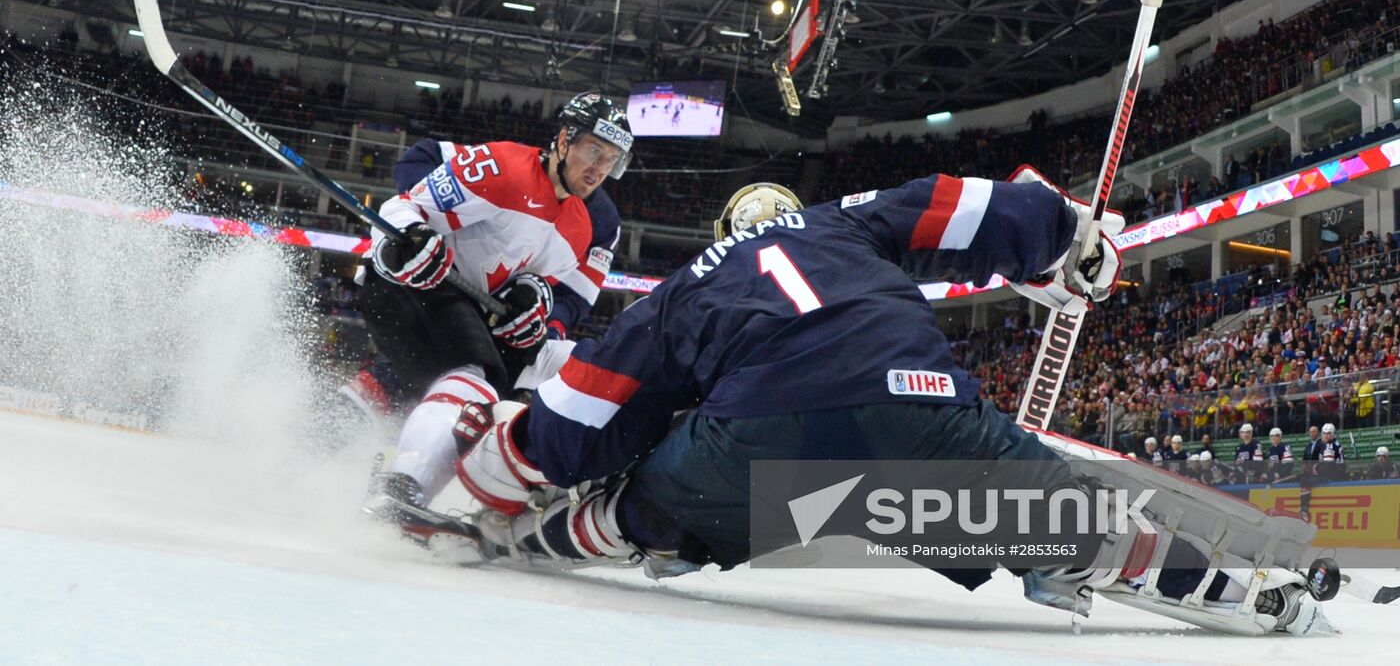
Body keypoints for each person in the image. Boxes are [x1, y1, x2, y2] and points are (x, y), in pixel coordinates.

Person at [454, 168, 1334, 635]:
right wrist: (1070, 237)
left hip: (760, 444)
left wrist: (515, 469)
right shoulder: (842, 220)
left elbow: (589, 411)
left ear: (726, 233)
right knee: (1061, 520)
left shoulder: (686, 284)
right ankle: (1211, 583)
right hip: (917, 404)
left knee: (656, 496)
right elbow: (966, 205)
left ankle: (584, 534)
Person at [353, 93, 629, 522]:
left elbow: (539, 282)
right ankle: (401, 489)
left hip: (457, 305)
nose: (599, 168)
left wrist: (532, 300)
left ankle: (400, 478)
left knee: (550, 371)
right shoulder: (502, 166)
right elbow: (403, 206)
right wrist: (411, 236)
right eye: (593, 150)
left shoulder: (579, 225)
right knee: (473, 381)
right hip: (405, 284)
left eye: (610, 159)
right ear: (563, 140)